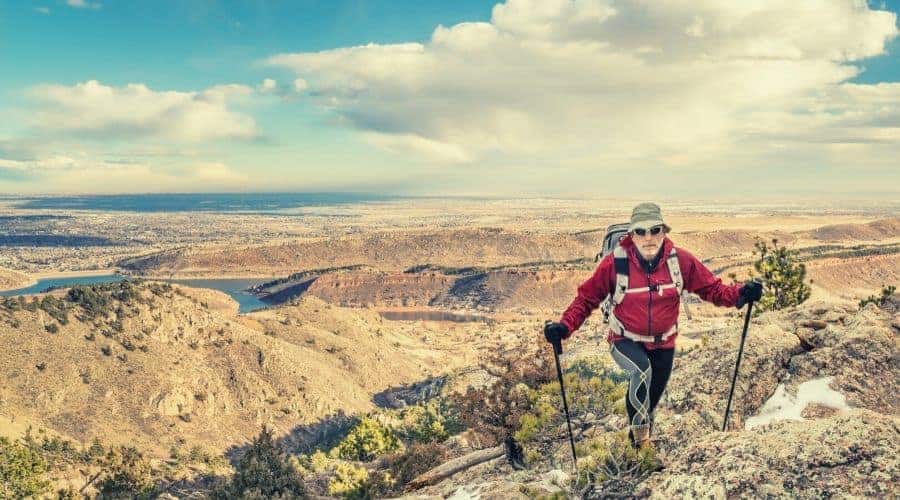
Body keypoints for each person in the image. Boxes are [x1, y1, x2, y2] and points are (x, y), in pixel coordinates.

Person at [543, 202, 762, 450]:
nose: (648, 238)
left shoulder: (681, 262)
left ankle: (634, 442)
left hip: (664, 342)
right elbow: (587, 298)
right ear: (632, 234)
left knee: (650, 401)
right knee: (641, 372)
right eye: (641, 231)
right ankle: (642, 447)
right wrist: (564, 326)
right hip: (625, 339)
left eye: (655, 230)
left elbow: (711, 288)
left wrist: (741, 293)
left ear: (664, 231)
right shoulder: (614, 265)